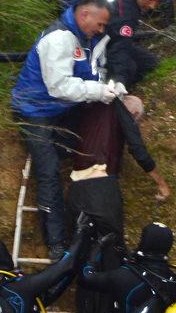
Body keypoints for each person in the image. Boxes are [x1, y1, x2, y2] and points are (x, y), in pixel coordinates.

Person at [11, 0, 117, 260]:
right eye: (100, 24)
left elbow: (87, 75)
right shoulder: (58, 39)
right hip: (34, 111)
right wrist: (97, 91)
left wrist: (110, 86)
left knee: (78, 147)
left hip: (59, 110)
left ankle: (56, 155)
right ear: (84, 15)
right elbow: (59, 87)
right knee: (48, 173)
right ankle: (56, 243)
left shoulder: (82, 39)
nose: (101, 30)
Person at [67, 94, 170, 248]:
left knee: (78, 249)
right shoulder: (119, 109)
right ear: (134, 114)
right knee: (112, 248)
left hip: (75, 189)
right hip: (100, 188)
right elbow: (138, 150)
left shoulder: (91, 110)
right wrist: (162, 183)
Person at [99, 0, 170, 88]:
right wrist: (120, 79)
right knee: (131, 68)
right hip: (98, 43)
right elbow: (119, 47)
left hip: (109, 30)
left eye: (158, 2)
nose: (153, 6)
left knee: (151, 62)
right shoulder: (125, 14)